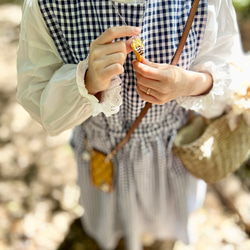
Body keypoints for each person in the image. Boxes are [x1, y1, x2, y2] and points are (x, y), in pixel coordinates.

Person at [16, 0, 242, 249]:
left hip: (168, 155)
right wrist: (88, 81)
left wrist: (190, 83)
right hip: (102, 152)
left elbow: (231, 70)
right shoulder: (48, 6)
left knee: (163, 228)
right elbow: (38, 99)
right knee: (110, 224)